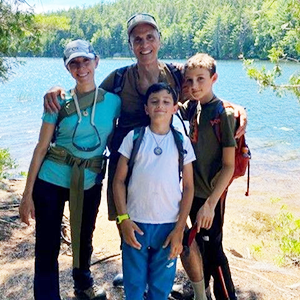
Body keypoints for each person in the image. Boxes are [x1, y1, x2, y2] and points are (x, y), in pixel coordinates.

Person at [43, 13, 247, 299]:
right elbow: (86, 98)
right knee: (127, 224)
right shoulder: (119, 78)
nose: (144, 44)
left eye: (150, 37)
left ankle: (196, 291)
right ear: (130, 45)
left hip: (164, 165)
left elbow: (204, 89)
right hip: (124, 164)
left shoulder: (175, 75)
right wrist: (55, 91)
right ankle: (137, 276)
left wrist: (233, 108)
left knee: (179, 232)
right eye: (137, 39)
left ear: (159, 40)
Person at [19, 39, 121, 300]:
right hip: (50, 180)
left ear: (96, 61)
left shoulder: (114, 102)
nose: (81, 67)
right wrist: (26, 194)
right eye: (74, 63)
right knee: (46, 246)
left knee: (84, 238)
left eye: (85, 60)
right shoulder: (57, 101)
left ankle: (83, 286)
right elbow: (41, 147)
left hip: (89, 181)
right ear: (68, 69)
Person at [113, 82, 195, 300]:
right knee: (134, 284)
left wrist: (179, 229)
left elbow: (188, 188)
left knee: (161, 286)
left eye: (167, 102)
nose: (161, 105)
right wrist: (124, 219)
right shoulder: (134, 137)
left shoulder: (181, 141)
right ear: (146, 108)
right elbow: (118, 181)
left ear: (174, 109)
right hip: (136, 223)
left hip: (168, 226)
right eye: (155, 101)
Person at [180, 53, 238, 300]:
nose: (195, 86)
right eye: (190, 80)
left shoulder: (223, 114)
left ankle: (227, 295)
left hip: (210, 197)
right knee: (199, 245)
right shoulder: (194, 107)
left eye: (201, 79)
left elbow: (229, 166)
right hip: (192, 192)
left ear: (214, 78)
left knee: (214, 250)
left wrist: (211, 205)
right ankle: (200, 292)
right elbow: (171, 106)